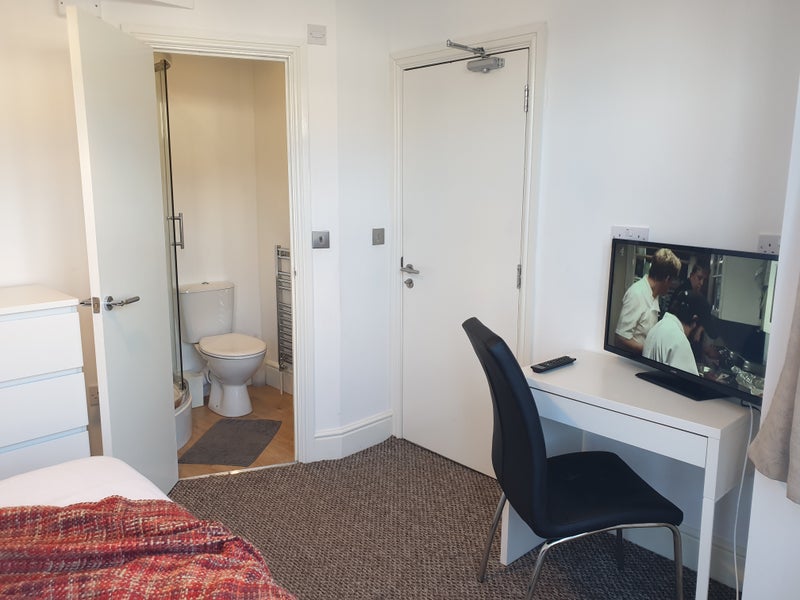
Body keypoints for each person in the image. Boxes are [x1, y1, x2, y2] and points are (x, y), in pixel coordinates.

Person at [615, 247, 681, 354]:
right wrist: (651, 351)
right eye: (672, 281)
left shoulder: (654, 295)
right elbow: (620, 339)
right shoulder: (636, 293)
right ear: (667, 279)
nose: (671, 286)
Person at [643, 290, 711, 375]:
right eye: (700, 329)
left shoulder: (657, 327)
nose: (698, 338)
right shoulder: (679, 340)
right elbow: (687, 381)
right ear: (695, 320)